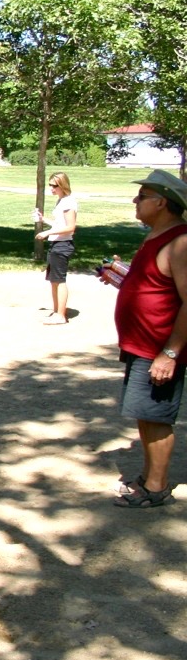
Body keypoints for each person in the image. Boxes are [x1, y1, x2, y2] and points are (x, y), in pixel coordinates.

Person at [111, 169, 187, 508]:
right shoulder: (157, 235)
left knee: (156, 416)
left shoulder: (181, 241)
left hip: (159, 348)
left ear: (162, 201)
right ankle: (148, 475)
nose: (135, 201)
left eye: (142, 196)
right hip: (141, 345)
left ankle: (156, 487)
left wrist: (169, 353)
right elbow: (156, 284)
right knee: (145, 413)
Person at [33, 171, 78, 324]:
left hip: (62, 245)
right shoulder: (61, 201)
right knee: (54, 280)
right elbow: (60, 224)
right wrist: (43, 219)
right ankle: (56, 311)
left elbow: (71, 228)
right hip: (56, 244)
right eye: (50, 185)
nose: (51, 188)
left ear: (62, 185)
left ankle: (61, 315)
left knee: (59, 280)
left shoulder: (68, 202)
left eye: (54, 185)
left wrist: (47, 232)